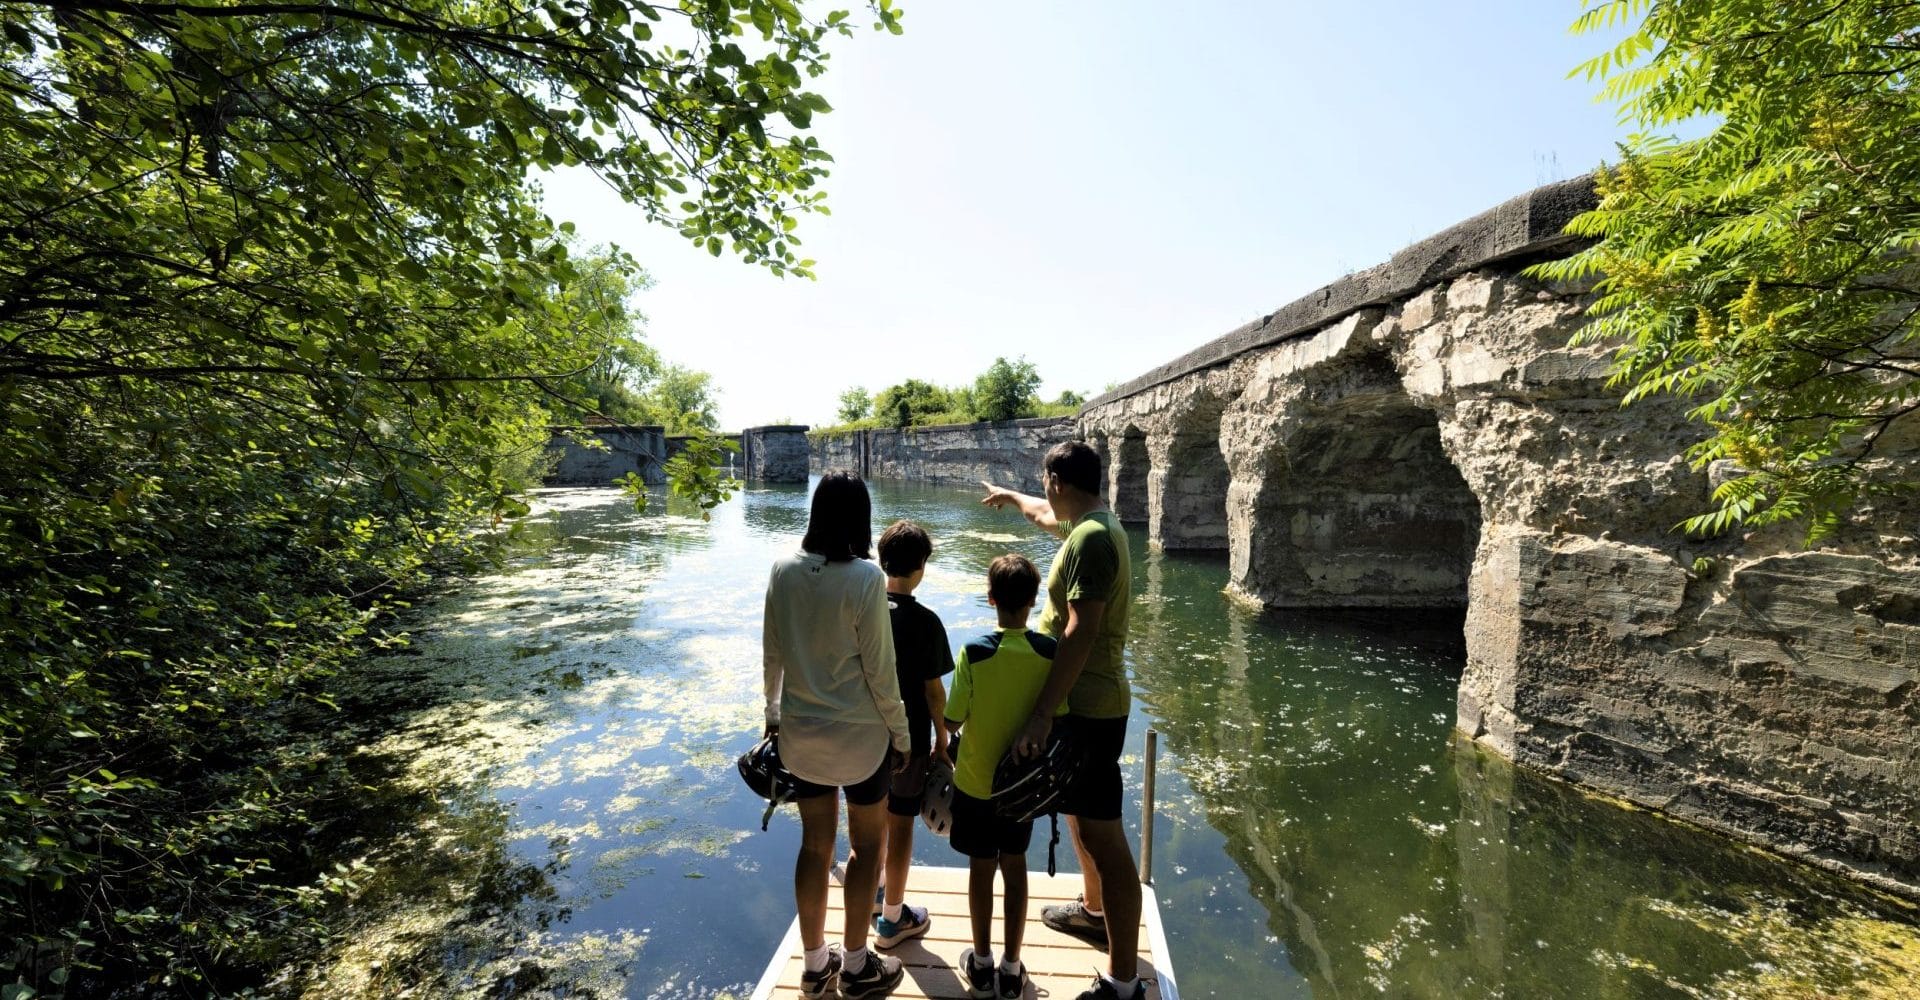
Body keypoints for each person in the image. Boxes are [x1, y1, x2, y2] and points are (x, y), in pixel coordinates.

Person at [980, 442, 1143, 1000]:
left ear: (1058, 479)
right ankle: (1093, 911)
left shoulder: (1094, 540)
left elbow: (1081, 630)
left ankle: (1123, 985)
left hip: (1090, 707)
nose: (1043, 495)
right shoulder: (1086, 523)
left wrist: (1042, 714)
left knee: (1105, 837)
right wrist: (1010, 496)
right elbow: (1044, 513)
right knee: (1080, 817)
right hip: (1081, 706)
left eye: (1042, 483)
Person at [763, 471, 910, 999]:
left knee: (814, 847)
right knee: (867, 845)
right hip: (861, 740)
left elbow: (772, 651)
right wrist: (902, 733)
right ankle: (855, 966)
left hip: (801, 738)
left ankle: (812, 965)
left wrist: (772, 714)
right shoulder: (866, 579)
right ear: (860, 518)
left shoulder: (782, 569)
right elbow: (880, 669)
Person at [943, 554, 1065, 1000]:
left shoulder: (974, 652)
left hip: (975, 784)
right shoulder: (1050, 652)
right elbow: (1059, 716)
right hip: (1023, 789)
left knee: (981, 870)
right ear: (1034, 601)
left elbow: (953, 719)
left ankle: (980, 964)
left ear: (990, 598)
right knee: (1016, 868)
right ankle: (1012, 970)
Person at [870, 520, 954, 950]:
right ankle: (891, 920)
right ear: (921, 567)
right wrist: (942, 739)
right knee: (901, 823)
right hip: (908, 742)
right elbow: (933, 692)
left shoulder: (861, 610)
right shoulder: (926, 622)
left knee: (869, 822)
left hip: (863, 740)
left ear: (881, 561)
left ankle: (874, 892)